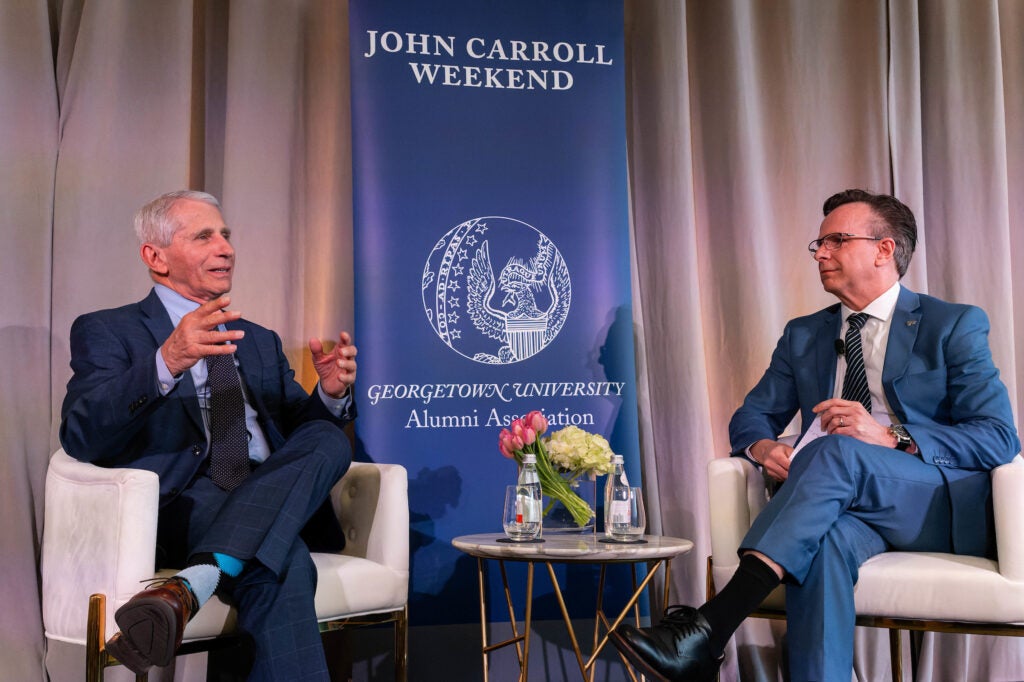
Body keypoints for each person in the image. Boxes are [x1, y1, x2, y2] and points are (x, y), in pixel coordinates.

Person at [610, 189, 1020, 682]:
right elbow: (752, 417)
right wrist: (763, 448)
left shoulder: (951, 324)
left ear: (884, 250)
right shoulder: (804, 334)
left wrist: (890, 435)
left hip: (931, 503)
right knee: (819, 546)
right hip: (837, 502)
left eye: (836, 240)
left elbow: (998, 437)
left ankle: (711, 628)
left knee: (836, 450)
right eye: (819, 244)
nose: (820, 253)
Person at [59, 190, 358, 680]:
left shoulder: (258, 339)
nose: (226, 248)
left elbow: (300, 435)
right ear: (155, 257)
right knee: (283, 562)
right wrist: (166, 361)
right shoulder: (109, 330)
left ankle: (190, 586)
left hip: (268, 487)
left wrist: (327, 395)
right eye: (204, 236)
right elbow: (80, 434)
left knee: (326, 438)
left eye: (226, 235)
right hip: (187, 502)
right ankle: (201, 575)